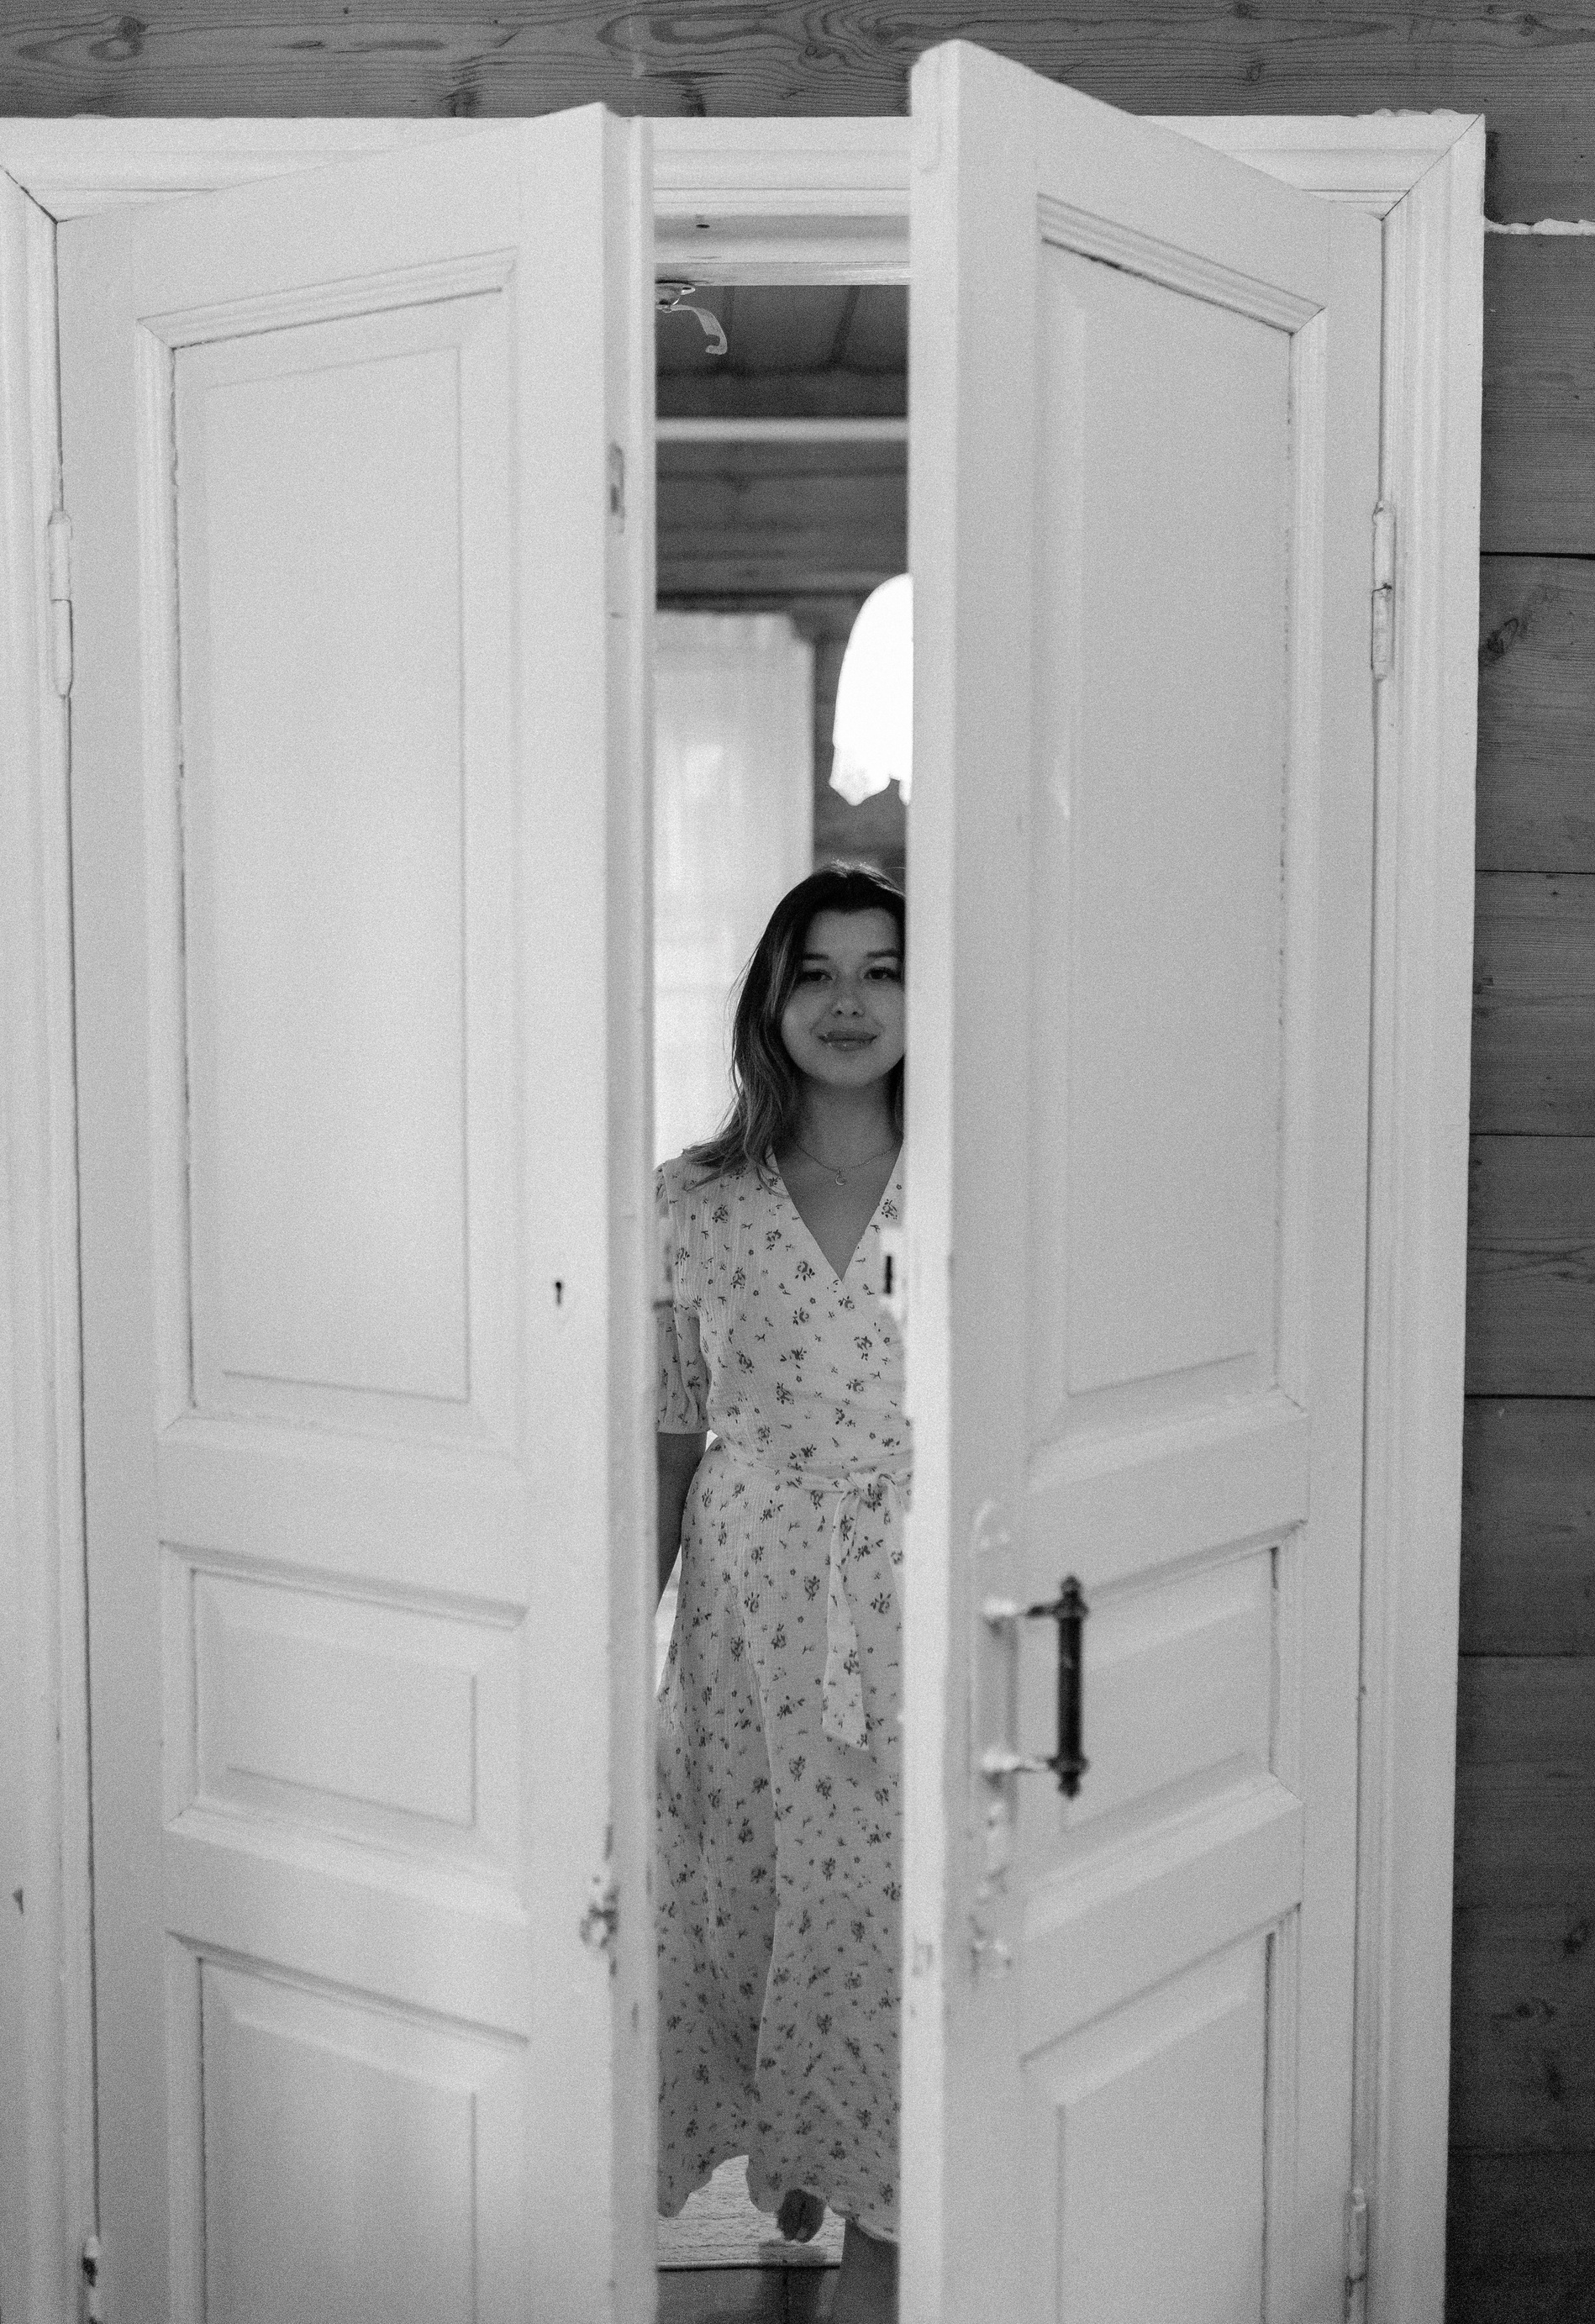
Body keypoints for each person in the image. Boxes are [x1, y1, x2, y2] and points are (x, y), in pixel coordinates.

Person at [655, 862, 908, 2324]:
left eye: (881, 969)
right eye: (816, 971)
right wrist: (613, 1641)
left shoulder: (972, 1181)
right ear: (770, 996)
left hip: (913, 1605)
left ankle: (884, 2210)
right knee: (753, 1890)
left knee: (885, 1903)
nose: (848, 1001)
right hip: (749, 1614)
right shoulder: (694, 1201)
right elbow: (671, 1431)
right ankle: (793, 2144)